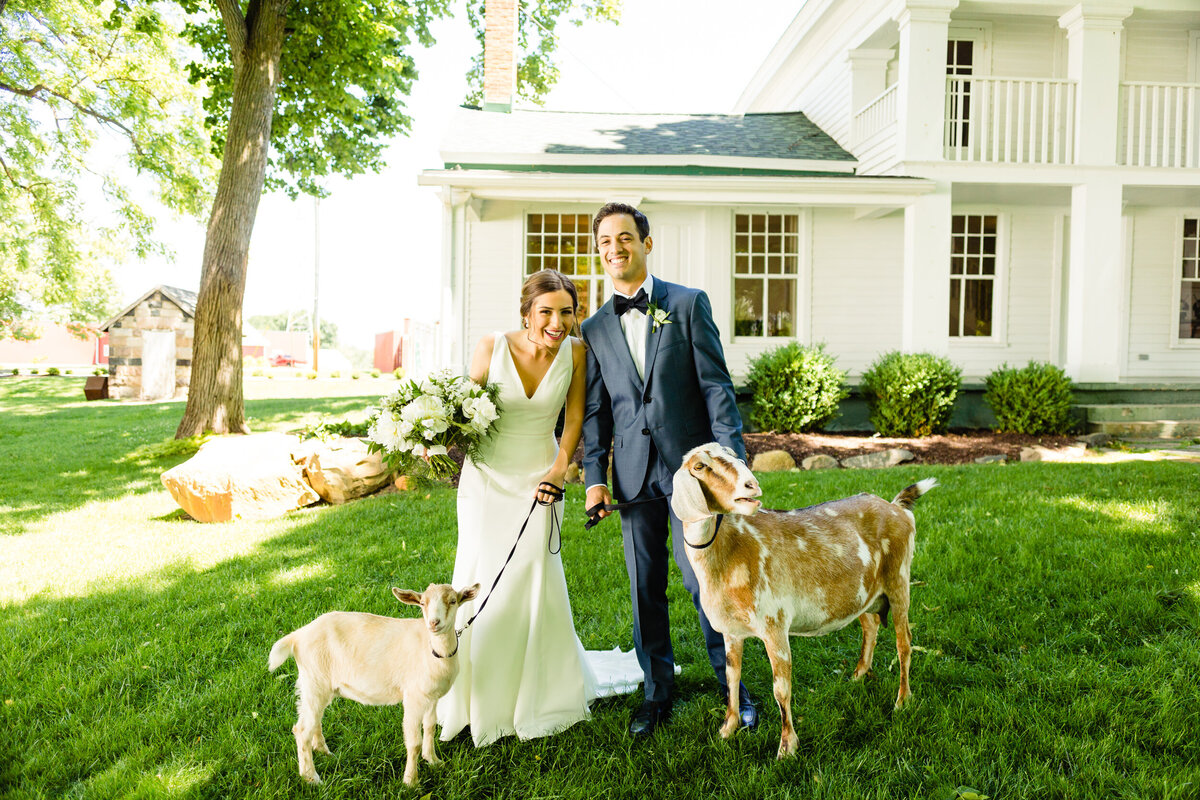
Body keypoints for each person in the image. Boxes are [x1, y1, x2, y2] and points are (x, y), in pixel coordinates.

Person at [439, 269, 640, 747]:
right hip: (486, 480)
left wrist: (558, 467)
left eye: (566, 311)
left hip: (539, 477)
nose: (557, 321)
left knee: (533, 577)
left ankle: (538, 690)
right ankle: (476, 693)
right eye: (546, 311)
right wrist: (433, 437)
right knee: (483, 575)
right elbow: (463, 415)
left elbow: (573, 421)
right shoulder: (491, 347)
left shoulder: (576, 353)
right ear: (526, 313)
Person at [581, 202, 759, 738]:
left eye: (626, 238)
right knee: (644, 588)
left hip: (694, 477)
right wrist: (594, 478)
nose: (616, 248)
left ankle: (735, 688)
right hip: (633, 479)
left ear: (646, 243)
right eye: (606, 241)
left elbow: (715, 388)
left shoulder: (687, 304)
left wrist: (730, 465)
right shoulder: (593, 328)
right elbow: (597, 414)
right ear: (599, 252)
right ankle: (657, 694)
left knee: (706, 582)